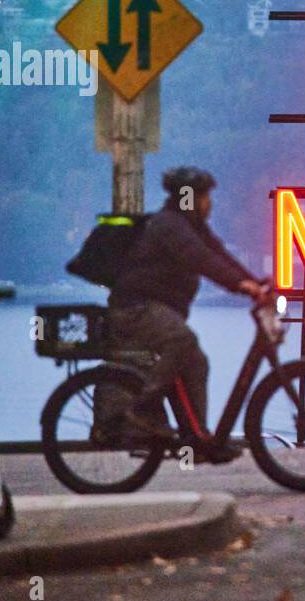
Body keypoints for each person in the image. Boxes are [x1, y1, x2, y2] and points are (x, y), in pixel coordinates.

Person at [104, 167, 263, 462]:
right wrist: (239, 284)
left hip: (153, 309)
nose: (209, 203)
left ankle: (197, 438)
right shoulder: (170, 226)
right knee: (182, 340)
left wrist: (254, 282)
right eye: (205, 197)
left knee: (197, 362)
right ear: (188, 197)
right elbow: (200, 259)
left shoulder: (192, 227)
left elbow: (219, 254)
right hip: (134, 308)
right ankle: (144, 408)